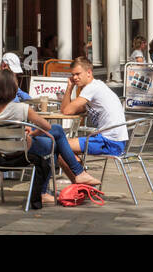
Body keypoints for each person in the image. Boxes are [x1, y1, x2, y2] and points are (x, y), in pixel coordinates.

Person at [0, 69, 56, 209]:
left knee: (56, 136)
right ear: (13, 88)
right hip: (22, 155)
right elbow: (47, 126)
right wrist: (30, 132)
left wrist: (21, 130)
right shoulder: (22, 108)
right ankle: (43, 192)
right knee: (54, 142)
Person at [50, 57, 129, 187]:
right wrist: (70, 87)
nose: (75, 78)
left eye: (78, 74)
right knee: (63, 147)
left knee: (59, 146)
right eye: (72, 75)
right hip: (114, 140)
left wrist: (69, 88)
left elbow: (67, 110)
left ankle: (81, 182)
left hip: (109, 142)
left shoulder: (91, 88)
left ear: (89, 72)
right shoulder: (97, 86)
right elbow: (69, 109)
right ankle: (82, 182)